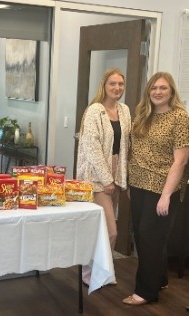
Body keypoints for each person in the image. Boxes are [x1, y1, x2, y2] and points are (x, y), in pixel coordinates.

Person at [123, 72, 189, 305]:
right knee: (143, 237)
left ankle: (146, 292)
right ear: (148, 91)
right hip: (139, 185)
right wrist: (131, 183)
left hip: (162, 187)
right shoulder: (143, 115)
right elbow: (134, 151)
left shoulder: (179, 118)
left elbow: (180, 161)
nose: (158, 92)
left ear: (171, 92)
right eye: (154, 88)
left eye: (163, 88)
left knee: (150, 238)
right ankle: (159, 278)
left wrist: (166, 195)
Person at [76, 67, 131, 286]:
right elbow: (92, 148)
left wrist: (119, 178)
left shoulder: (124, 110)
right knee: (110, 230)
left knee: (102, 229)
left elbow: (127, 143)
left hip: (117, 173)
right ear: (104, 86)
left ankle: (102, 271)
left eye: (120, 84)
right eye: (112, 84)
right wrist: (106, 179)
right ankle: (91, 272)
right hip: (96, 177)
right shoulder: (94, 111)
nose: (117, 88)